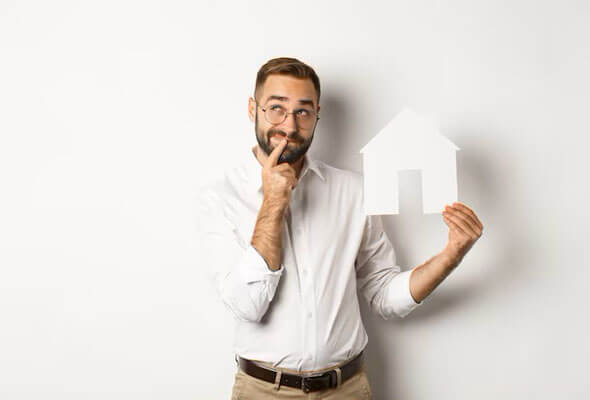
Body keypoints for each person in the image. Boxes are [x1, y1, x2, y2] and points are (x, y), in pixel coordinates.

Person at [195, 57, 484, 399]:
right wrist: (273, 202)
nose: (289, 126)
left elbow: (383, 295)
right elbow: (247, 306)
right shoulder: (221, 198)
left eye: (303, 112)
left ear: (317, 114)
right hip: (263, 392)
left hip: (345, 390)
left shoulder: (353, 191)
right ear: (252, 108)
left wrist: (450, 255)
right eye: (276, 108)